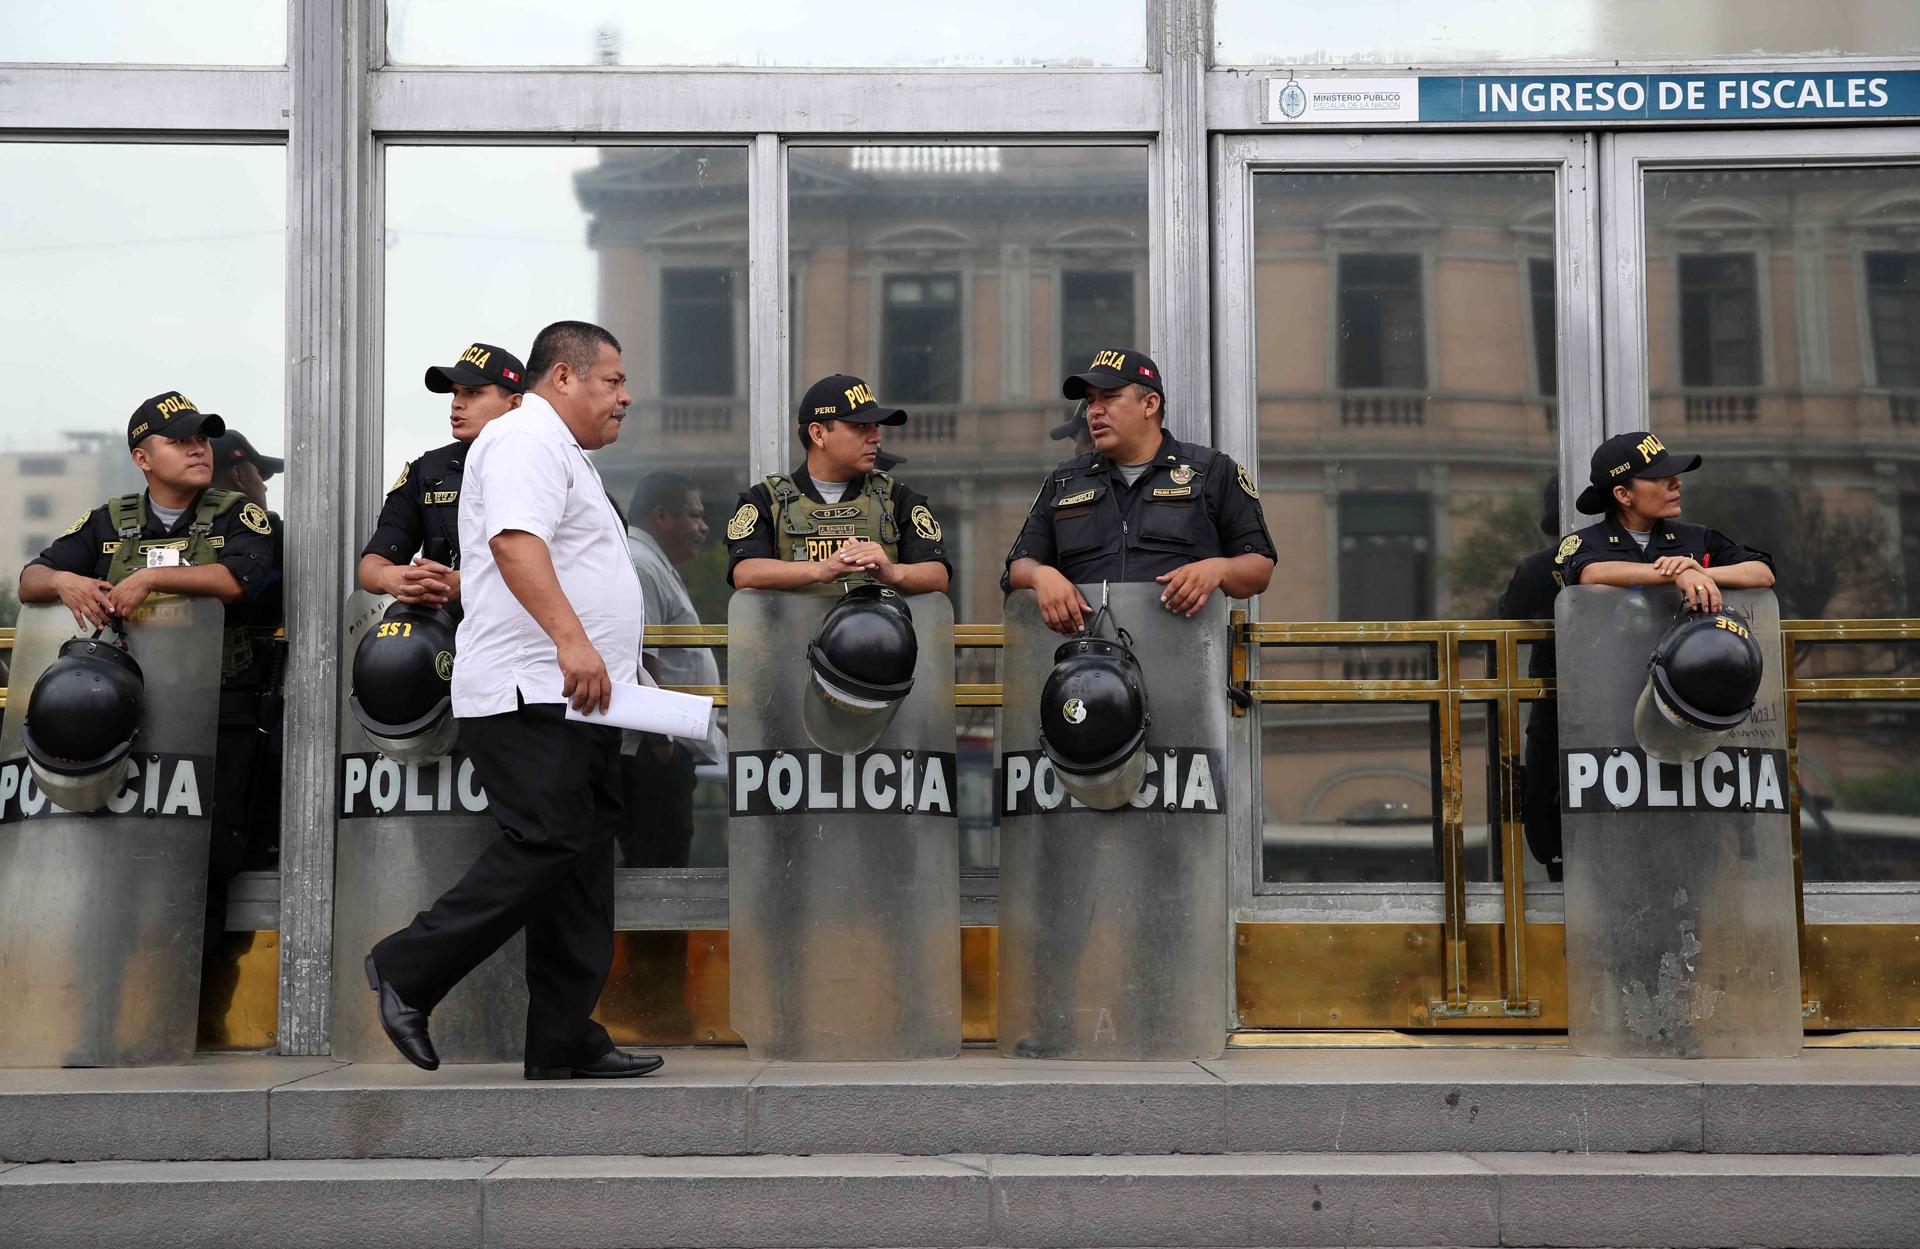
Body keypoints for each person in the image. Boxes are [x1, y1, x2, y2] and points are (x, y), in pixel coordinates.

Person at [365, 320, 663, 1080]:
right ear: (563, 378)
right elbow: (514, 544)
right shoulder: (525, 439)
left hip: (583, 697)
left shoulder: (561, 451)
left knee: (582, 867)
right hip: (532, 689)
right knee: (549, 841)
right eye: (612, 381)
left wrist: (621, 670)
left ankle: (562, 1036)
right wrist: (572, 640)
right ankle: (408, 967)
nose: (625, 397)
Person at [18, 391, 277, 982]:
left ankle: (185, 999)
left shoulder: (240, 513)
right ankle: (106, 992)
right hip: (129, 718)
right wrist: (64, 581)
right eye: (179, 440)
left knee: (209, 861)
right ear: (142, 457)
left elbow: (240, 578)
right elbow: (31, 577)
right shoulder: (110, 520)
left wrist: (153, 577)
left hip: (219, 709)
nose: (197, 449)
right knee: (123, 854)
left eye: (201, 438)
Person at [1003, 347, 1276, 634]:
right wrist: (1041, 575)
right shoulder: (1064, 479)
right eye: (1091, 400)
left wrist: (1218, 570)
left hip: (1184, 665)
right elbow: (1018, 567)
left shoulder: (1212, 472)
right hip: (1085, 665)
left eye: (1109, 397)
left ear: (1150, 404)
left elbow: (1259, 567)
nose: (1094, 410)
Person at [726, 373, 951, 594]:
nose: (876, 437)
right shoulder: (765, 499)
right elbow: (744, 572)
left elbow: (938, 575)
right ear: (818, 434)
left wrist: (893, 572)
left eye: (876, 427)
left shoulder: (897, 498)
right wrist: (821, 569)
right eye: (861, 427)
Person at [357, 342, 528, 612]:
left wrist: (468, 582)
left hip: (523, 635)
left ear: (514, 404)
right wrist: (396, 578)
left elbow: (562, 565)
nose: (457, 404)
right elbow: (372, 565)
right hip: (443, 637)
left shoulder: (544, 467)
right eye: (455, 393)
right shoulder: (428, 469)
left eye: (473, 393)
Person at [1557, 430, 1775, 613]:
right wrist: (1675, 574)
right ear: (1623, 494)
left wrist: (1699, 572)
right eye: (1658, 477)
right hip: (1613, 662)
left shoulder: (1699, 537)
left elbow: (1762, 573)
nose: (1676, 483)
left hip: (1689, 662)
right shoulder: (1583, 542)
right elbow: (1591, 574)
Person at [1496, 476, 1565, 881]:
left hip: (1557, 715)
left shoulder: (1543, 566)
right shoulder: (1545, 566)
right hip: (1556, 714)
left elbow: (1510, 609)